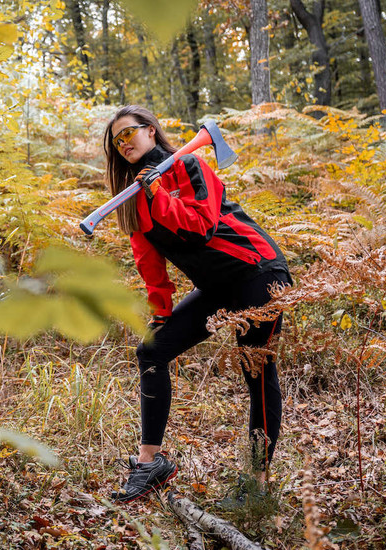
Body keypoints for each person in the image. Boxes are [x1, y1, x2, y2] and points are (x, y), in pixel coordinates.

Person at [103, 105, 292, 504]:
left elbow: (200, 225)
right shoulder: (134, 197)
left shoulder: (188, 164)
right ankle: (151, 462)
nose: (124, 143)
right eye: (116, 140)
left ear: (151, 131)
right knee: (151, 350)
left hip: (259, 272)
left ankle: (256, 486)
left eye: (129, 133)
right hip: (217, 286)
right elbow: (148, 261)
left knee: (256, 370)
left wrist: (159, 194)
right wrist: (161, 311)